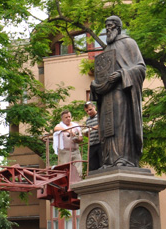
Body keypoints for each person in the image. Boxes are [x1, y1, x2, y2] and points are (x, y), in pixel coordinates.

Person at [90, 16, 146, 168]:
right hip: (106, 95)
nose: (107, 29)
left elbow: (141, 68)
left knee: (120, 125)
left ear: (118, 28)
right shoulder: (106, 50)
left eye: (110, 26)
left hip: (121, 92)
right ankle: (109, 160)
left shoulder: (129, 43)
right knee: (107, 128)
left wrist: (122, 74)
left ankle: (123, 158)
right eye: (106, 26)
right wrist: (95, 85)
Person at [52, 110, 83, 179]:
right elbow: (55, 128)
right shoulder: (60, 125)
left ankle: (78, 180)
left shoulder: (75, 126)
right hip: (65, 152)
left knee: (78, 168)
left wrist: (78, 139)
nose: (68, 118)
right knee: (65, 169)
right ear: (62, 119)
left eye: (69, 117)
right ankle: (67, 181)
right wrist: (68, 130)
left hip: (75, 150)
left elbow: (81, 138)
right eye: (66, 117)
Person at [84, 102, 101, 173]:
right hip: (91, 144)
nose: (89, 112)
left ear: (94, 107)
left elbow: (101, 124)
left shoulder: (99, 116)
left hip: (100, 143)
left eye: (90, 109)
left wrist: (91, 128)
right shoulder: (87, 120)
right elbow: (88, 133)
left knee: (102, 162)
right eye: (87, 111)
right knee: (92, 166)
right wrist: (85, 133)